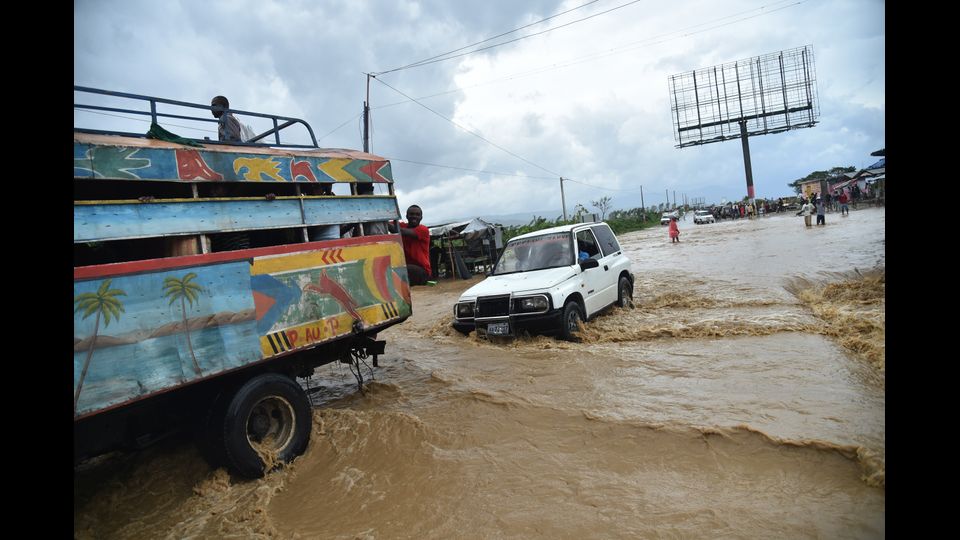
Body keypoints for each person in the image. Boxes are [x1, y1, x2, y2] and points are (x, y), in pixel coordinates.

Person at [395, 205, 431, 285]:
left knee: (399, 270)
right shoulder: (402, 226)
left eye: (417, 214)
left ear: (421, 217)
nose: (414, 216)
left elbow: (401, 231)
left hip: (422, 271)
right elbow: (390, 225)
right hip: (407, 268)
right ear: (407, 216)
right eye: (411, 214)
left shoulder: (423, 230)